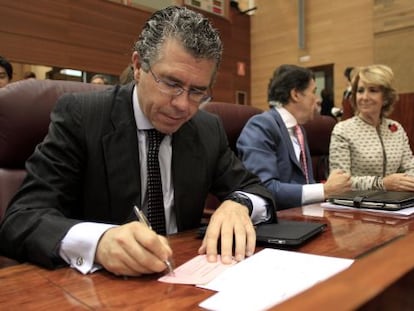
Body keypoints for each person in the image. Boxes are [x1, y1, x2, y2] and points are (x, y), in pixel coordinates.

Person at [0, 6, 275, 277]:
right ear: (138, 67)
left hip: (187, 276)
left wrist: (239, 204)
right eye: (170, 83)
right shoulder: (82, 117)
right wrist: (99, 242)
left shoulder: (206, 128)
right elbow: (21, 220)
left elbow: (256, 190)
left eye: (197, 91)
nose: (182, 105)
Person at [237, 64, 351, 210]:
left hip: (306, 215)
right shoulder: (261, 125)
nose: (318, 100)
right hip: (279, 224)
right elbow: (263, 189)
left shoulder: (299, 130)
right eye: (313, 92)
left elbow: (306, 183)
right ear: (295, 94)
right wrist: (324, 190)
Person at [329, 64, 414, 191]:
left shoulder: (396, 128)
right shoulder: (343, 130)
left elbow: (410, 167)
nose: (364, 97)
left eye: (373, 90)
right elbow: (340, 182)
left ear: (385, 98)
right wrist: (382, 184)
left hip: (396, 203)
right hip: (358, 204)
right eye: (360, 91)